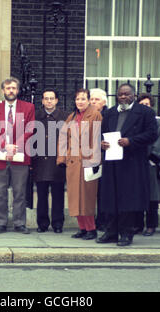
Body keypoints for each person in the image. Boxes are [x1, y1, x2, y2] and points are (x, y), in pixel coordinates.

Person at [98, 84, 157, 246]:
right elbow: (100, 135)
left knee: (128, 199)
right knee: (111, 197)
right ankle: (111, 231)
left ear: (134, 95)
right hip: (112, 161)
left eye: (126, 94)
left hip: (132, 162)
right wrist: (101, 144)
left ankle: (126, 233)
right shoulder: (109, 113)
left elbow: (152, 134)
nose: (123, 97)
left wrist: (131, 141)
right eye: (120, 94)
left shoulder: (145, 113)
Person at [0, 77, 35, 234]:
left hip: (20, 156)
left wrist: (16, 146)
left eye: (13, 88)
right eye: (8, 88)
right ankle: (1, 222)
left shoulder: (28, 108)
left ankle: (19, 223)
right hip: (0, 156)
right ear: (3, 91)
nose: (11, 91)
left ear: (18, 90)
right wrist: (4, 145)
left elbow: (30, 129)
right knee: (0, 192)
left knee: (19, 191)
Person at [57, 89, 102, 241]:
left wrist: (95, 161)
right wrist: (62, 158)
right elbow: (63, 138)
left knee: (87, 197)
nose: (80, 102)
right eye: (78, 99)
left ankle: (91, 229)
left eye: (83, 99)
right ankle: (82, 228)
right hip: (73, 162)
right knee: (75, 197)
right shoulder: (72, 117)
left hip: (87, 160)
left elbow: (96, 139)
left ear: (89, 100)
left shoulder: (95, 114)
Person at [32, 89, 68, 233]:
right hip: (40, 161)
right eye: (46, 98)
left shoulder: (65, 117)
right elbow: (30, 140)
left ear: (56, 100)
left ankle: (58, 224)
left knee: (58, 194)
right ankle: (42, 224)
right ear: (42, 101)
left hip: (58, 162)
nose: (49, 101)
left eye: (51, 98)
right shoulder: (35, 117)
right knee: (41, 195)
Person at [134, 93, 160, 236]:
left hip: (151, 164)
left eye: (146, 104)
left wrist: (150, 157)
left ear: (151, 105)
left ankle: (151, 225)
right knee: (137, 196)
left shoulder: (158, 121)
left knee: (152, 197)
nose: (144, 107)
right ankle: (138, 224)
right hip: (136, 164)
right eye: (141, 104)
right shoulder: (134, 121)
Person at [89, 88, 108, 231]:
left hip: (105, 158)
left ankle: (102, 221)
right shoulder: (86, 115)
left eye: (97, 99)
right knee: (90, 191)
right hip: (88, 158)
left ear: (104, 102)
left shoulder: (108, 115)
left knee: (103, 191)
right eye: (92, 99)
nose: (93, 102)